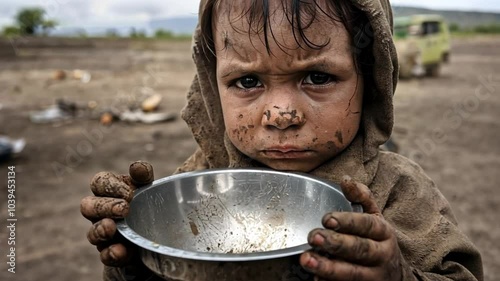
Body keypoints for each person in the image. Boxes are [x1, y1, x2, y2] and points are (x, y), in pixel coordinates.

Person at [80, 0, 484, 280]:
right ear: (211, 84)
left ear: (372, 80)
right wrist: (132, 257)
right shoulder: (199, 181)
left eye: (318, 77)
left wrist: (396, 275)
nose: (280, 115)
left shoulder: (398, 190)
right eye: (248, 81)